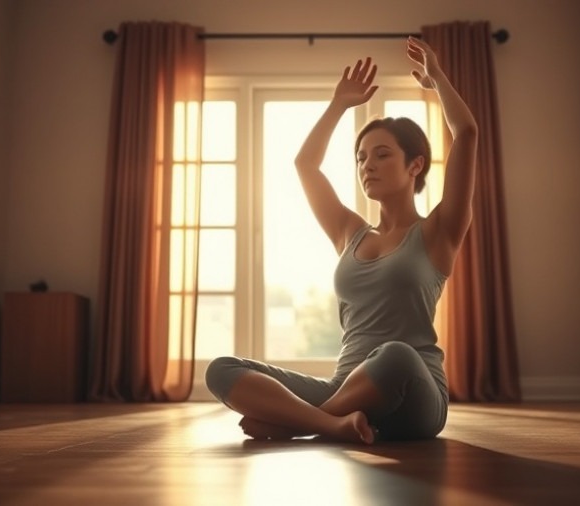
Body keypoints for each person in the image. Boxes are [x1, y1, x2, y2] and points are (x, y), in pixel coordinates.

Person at [205, 37, 478, 444]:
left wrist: (437, 77)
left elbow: (467, 133)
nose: (367, 165)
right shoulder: (349, 232)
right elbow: (306, 165)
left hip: (409, 392)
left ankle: (300, 423)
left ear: (415, 165)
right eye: (361, 158)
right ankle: (332, 424)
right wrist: (338, 105)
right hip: (343, 387)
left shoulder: (439, 231)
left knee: (396, 354)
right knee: (221, 369)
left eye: (382, 154)